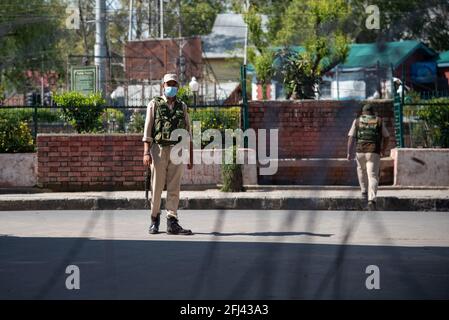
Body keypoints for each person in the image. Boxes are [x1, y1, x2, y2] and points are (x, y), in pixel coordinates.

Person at [142, 73, 193, 235]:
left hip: (177, 150)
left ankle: (172, 221)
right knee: (156, 186)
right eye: (168, 84)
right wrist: (146, 153)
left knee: (174, 187)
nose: (171, 87)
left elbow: (188, 132)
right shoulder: (154, 104)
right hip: (158, 149)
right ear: (163, 86)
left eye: (174, 84)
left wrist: (190, 155)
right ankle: (154, 219)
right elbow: (148, 130)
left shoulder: (182, 106)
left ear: (178, 87)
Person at [347, 104, 390, 210]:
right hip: (373, 151)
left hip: (360, 151)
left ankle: (364, 193)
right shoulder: (378, 120)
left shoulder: (357, 121)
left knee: (361, 171)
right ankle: (372, 200)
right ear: (372, 112)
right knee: (373, 175)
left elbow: (351, 138)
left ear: (363, 112)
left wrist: (348, 152)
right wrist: (383, 150)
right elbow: (387, 137)